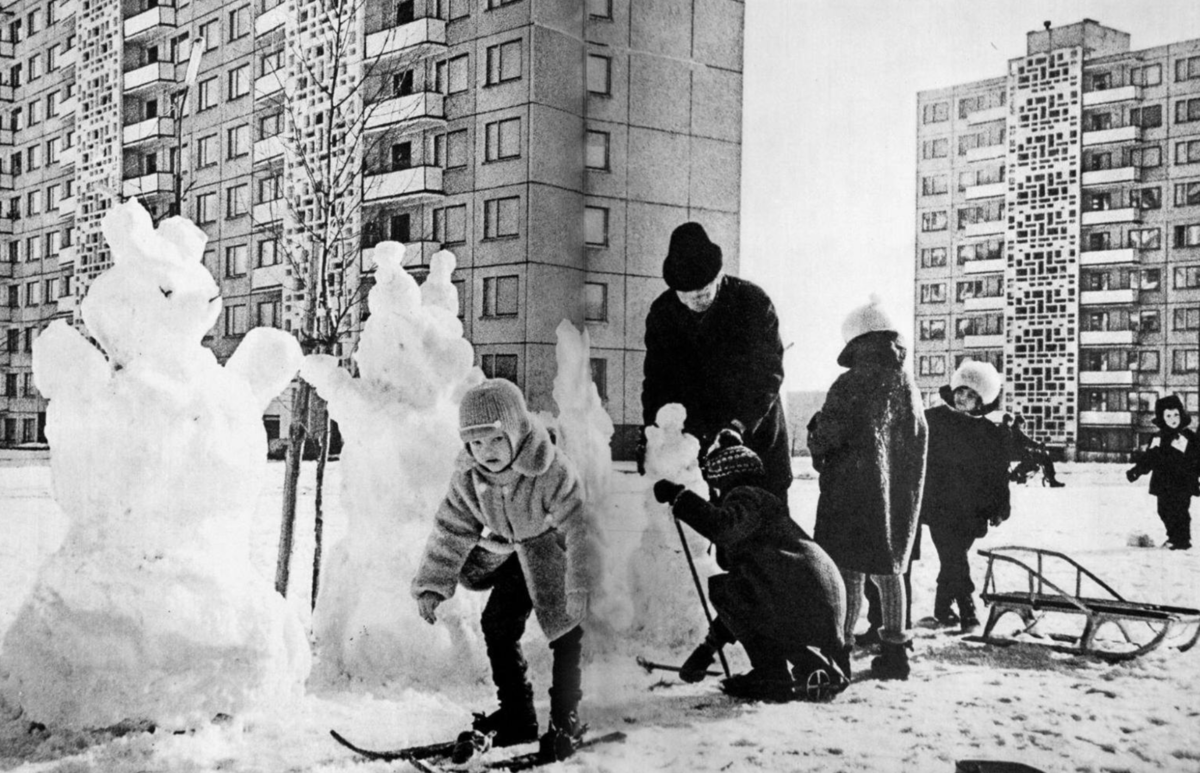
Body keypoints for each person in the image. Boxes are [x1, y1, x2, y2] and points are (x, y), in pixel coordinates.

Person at [412, 378, 595, 763]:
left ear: (516, 430)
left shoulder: (551, 470)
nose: (486, 452)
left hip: (555, 552)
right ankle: (517, 715)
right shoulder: (469, 476)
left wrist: (580, 583)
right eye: (475, 443)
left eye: (495, 439)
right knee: (497, 623)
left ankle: (567, 719)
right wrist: (432, 585)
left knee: (565, 632)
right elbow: (452, 527)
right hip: (513, 556)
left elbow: (580, 526)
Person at [652, 431, 849, 701]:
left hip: (805, 600)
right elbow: (749, 603)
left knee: (723, 588)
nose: (715, 495)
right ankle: (812, 665)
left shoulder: (746, 497)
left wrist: (681, 498)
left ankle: (772, 675)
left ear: (725, 479)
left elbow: (722, 529)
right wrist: (706, 651)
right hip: (813, 601)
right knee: (745, 594)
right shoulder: (763, 503)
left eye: (716, 487)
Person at [807, 296, 927, 680]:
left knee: (849, 574)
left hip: (851, 494)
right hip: (897, 499)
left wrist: (814, 432)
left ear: (855, 342)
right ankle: (896, 653)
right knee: (891, 574)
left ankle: (840, 651)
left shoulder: (850, 382)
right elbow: (919, 438)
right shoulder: (907, 384)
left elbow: (828, 435)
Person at [639, 222, 791, 503]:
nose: (697, 299)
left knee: (770, 533)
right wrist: (653, 430)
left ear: (719, 276)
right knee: (721, 526)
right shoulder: (663, 314)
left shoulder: (752, 303)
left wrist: (737, 425)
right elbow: (657, 381)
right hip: (704, 442)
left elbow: (767, 373)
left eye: (705, 290)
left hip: (756, 436)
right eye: (687, 294)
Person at [920, 361, 1011, 632]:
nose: (963, 398)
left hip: (973, 509)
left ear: (982, 401)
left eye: (972, 395)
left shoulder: (989, 433)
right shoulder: (933, 420)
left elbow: (998, 474)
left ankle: (942, 607)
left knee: (954, 557)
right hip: (939, 504)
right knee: (954, 556)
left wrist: (1000, 506)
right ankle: (967, 609)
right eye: (961, 391)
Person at [1126, 394, 1198, 551]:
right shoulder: (1157, 437)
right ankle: (1173, 537)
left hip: (1182, 483)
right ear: (1162, 418)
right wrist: (1136, 471)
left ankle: (1182, 540)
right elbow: (1149, 458)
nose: (1173, 419)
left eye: (1176, 415)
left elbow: (1196, 459)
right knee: (1164, 510)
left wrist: (1195, 476)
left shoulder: (1189, 437)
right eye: (1168, 415)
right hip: (1163, 482)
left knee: (1180, 511)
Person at [1007, 414, 1065, 487]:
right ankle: (1052, 480)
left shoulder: (1013, 431)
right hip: (1024, 455)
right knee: (1046, 458)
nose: (1022, 426)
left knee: (1039, 460)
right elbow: (1028, 441)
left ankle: (1019, 475)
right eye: (1022, 424)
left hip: (1021, 454)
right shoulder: (1017, 432)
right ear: (1019, 423)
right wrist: (1038, 445)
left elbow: (1026, 442)